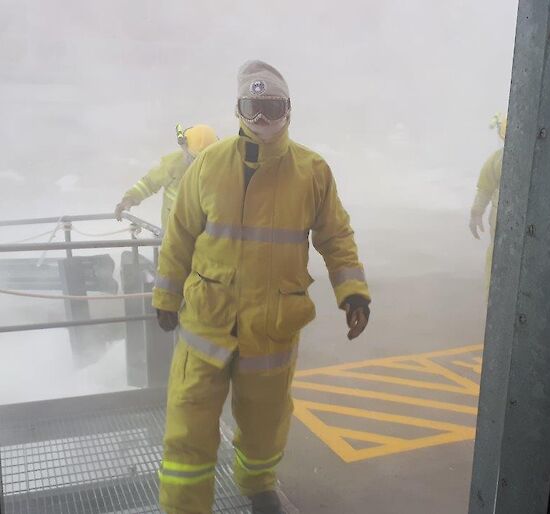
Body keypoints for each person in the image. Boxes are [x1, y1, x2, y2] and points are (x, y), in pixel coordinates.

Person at [152, 60, 372, 514]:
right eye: (254, 108)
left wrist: (352, 291)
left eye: (272, 107)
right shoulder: (209, 166)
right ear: (239, 109)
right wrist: (166, 296)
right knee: (188, 430)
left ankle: (258, 486)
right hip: (205, 326)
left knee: (264, 427)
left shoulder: (312, 172)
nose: (264, 120)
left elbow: (336, 236)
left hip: (269, 330)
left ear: (289, 110)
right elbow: (180, 236)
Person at [114, 124, 218, 228]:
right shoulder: (172, 165)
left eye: (206, 159)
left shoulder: (223, 168)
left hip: (207, 235)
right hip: (173, 232)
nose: (199, 164)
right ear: (184, 148)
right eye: (194, 158)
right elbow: (149, 183)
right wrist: (129, 199)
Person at [469, 113, 507, 295]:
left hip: (504, 222)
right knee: (496, 263)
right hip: (499, 226)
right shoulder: (497, 159)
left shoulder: (498, 158)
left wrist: (476, 213)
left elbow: (484, 188)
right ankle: (493, 299)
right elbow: (485, 188)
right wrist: (476, 213)